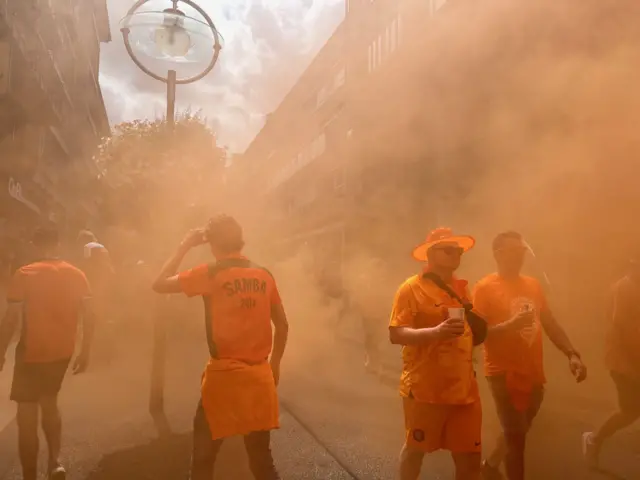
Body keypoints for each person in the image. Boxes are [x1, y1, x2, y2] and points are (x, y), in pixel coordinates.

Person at [151, 214, 288, 480]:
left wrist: (184, 246)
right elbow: (282, 326)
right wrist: (275, 366)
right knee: (261, 462)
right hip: (259, 379)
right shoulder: (264, 274)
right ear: (240, 240)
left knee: (203, 461)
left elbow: (158, 284)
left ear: (211, 243)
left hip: (223, 380)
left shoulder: (210, 272)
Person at [473, 231, 587, 480]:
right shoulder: (484, 288)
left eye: (521, 251)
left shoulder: (532, 285)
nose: (519, 256)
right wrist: (510, 325)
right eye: (512, 251)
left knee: (519, 429)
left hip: (534, 372)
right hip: (502, 373)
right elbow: (476, 335)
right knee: (517, 440)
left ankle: (490, 465)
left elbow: (549, 322)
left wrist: (571, 354)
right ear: (498, 255)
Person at [0, 226, 94, 480]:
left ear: (35, 245)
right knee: (50, 402)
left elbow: (11, 319)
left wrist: (1, 352)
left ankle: (30, 475)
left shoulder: (25, 274)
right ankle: (55, 462)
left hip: (32, 352)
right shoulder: (77, 274)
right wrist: (85, 351)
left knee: (27, 415)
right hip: (63, 351)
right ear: (58, 244)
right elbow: (90, 315)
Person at [389, 227, 483, 480]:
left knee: (471, 460)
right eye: (449, 250)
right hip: (425, 389)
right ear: (430, 254)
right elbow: (396, 334)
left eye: (459, 250)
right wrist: (436, 332)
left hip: (464, 390)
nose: (456, 255)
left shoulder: (463, 289)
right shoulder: (411, 288)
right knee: (415, 451)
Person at [582, 254, 640, 469]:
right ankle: (594, 439)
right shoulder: (625, 288)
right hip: (624, 361)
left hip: (633, 358)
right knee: (630, 411)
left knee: (632, 411)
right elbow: (621, 325)